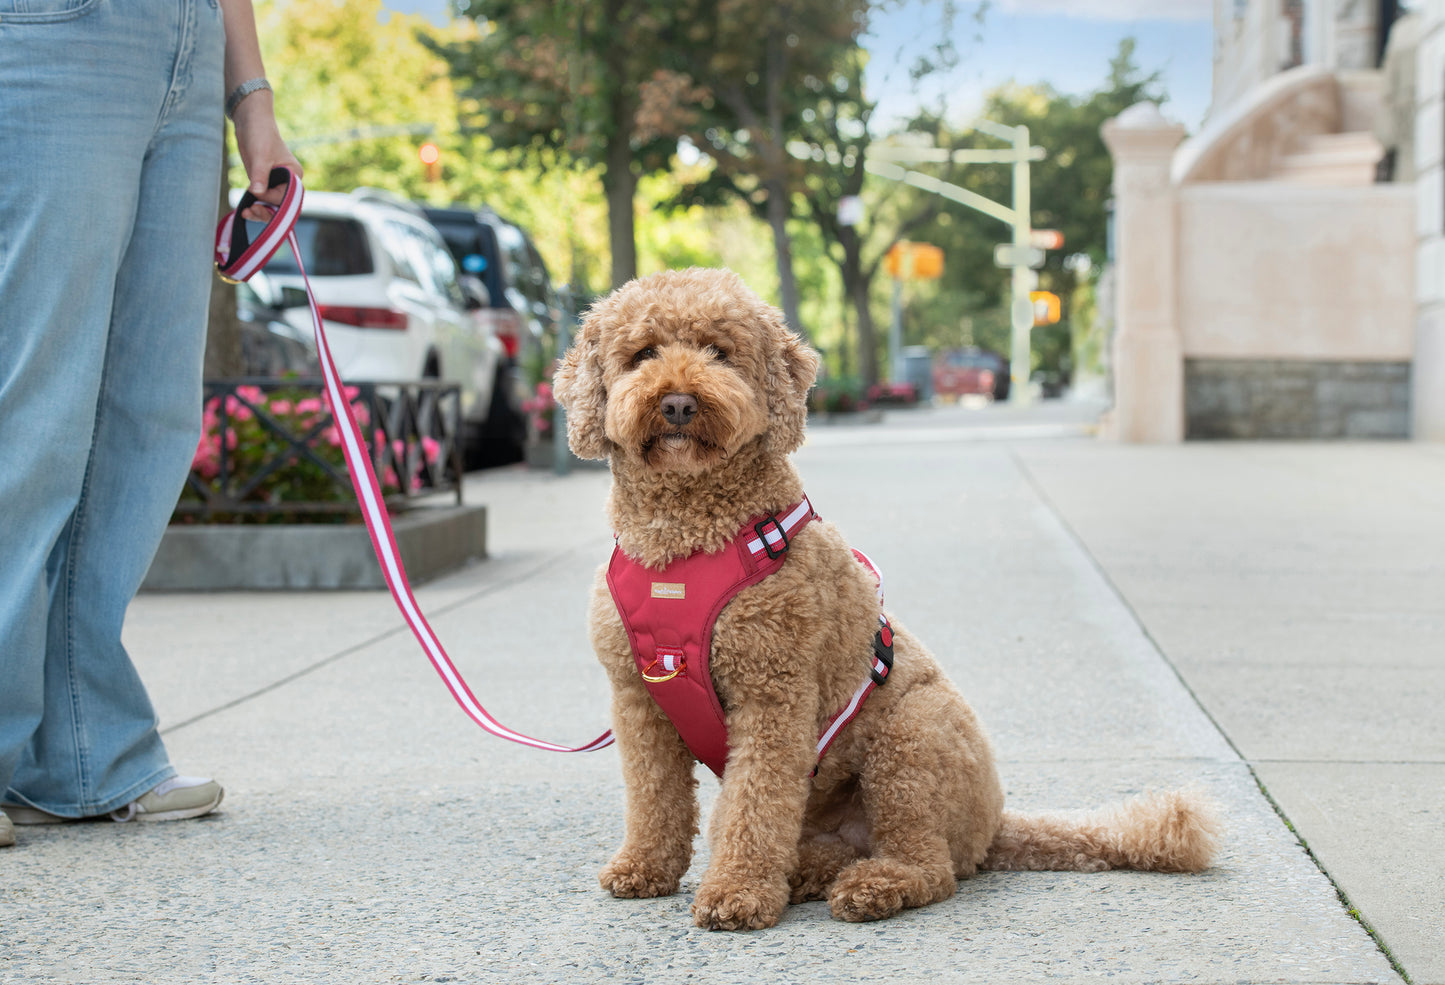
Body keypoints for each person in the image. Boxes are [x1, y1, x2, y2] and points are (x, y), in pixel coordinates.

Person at [0, 0, 301, 848]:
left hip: (186, 43)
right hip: (52, 32)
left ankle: (83, 752)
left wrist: (253, 102)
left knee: (148, 410)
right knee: (33, 401)